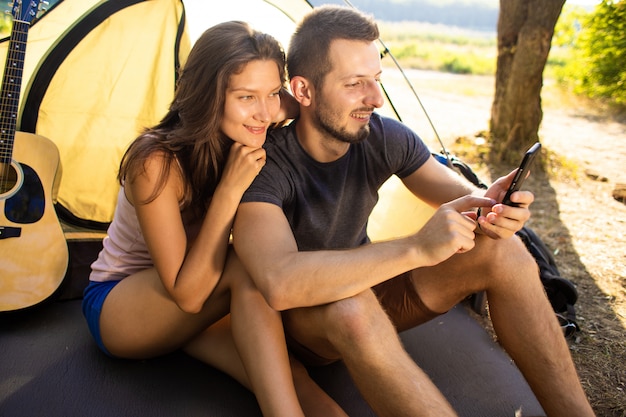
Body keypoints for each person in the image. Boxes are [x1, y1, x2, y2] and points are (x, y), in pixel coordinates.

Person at [232, 5, 596, 417]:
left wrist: (489, 204)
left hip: (368, 292)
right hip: (301, 325)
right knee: (351, 308)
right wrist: (417, 247)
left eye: (377, 80)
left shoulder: (380, 136)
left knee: (505, 250)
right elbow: (279, 282)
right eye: (355, 84)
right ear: (304, 92)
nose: (374, 99)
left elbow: (458, 193)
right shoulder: (263, 165)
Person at [81, 21, 346, 417]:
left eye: (272, 93)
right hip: (125, 306)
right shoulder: (154, 161)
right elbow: (186, 295)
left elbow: (296, 105)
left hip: (204, 292)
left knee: (291, 377)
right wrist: (229, 190)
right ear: (208, 96)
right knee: (247, 267)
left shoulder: (257, 116)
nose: (263, 113)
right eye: (245, 97)